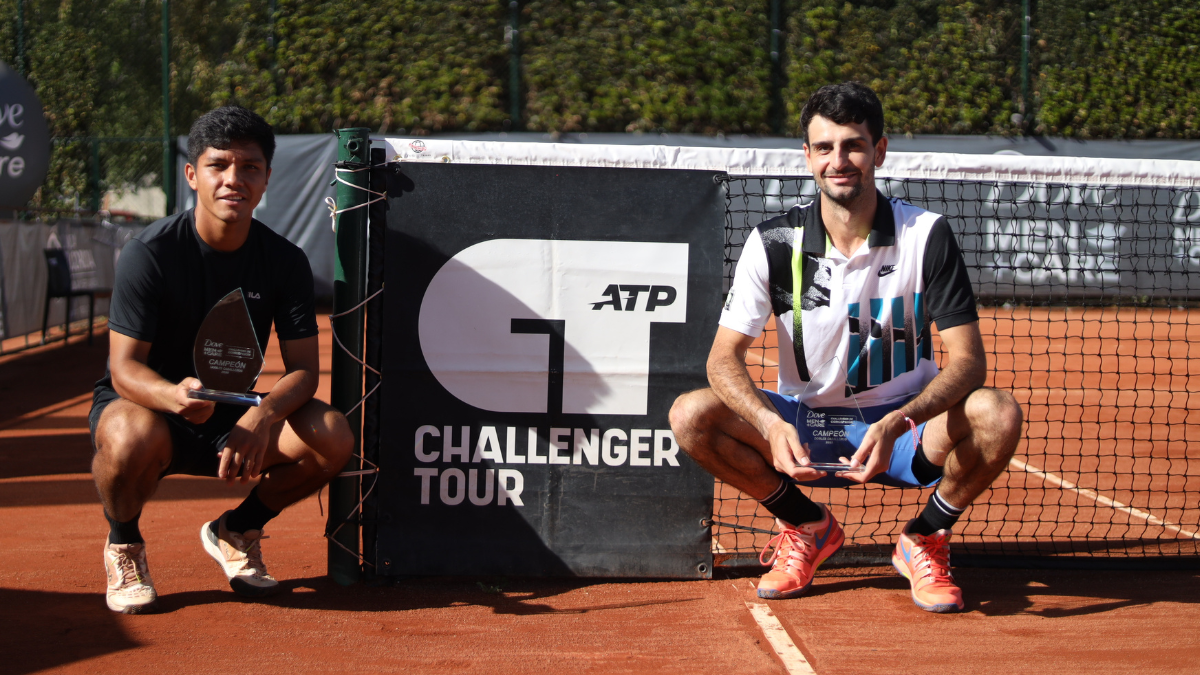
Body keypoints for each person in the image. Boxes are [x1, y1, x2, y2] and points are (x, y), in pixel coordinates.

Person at [669, 82, 1022, 613]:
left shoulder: (926, 235)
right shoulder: (772, 242)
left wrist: (899, 421)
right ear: (807, 155)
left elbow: (969, 362)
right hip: (805, 423)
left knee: (997, 412)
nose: (841, 160)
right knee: (691, 414)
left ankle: (924, 536)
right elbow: (722, 358)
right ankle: (807, 526)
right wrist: (771, 424)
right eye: (826, 147)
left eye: (854, 145)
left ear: (879, 150)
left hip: (905, 430)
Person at [90, 106, 353, 614]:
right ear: (192, 175)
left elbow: (304, 370)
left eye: (249, 167)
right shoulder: (149, 254)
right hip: (152, 408)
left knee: (332, 434)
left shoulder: (285, 261)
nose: (234, 179)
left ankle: (237, 530)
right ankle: (124, 545)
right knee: (126, 435)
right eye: (219, 165)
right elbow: (123, 368)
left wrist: (262, 414)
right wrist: (173, 396)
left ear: (267, 178)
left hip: (234, 412)